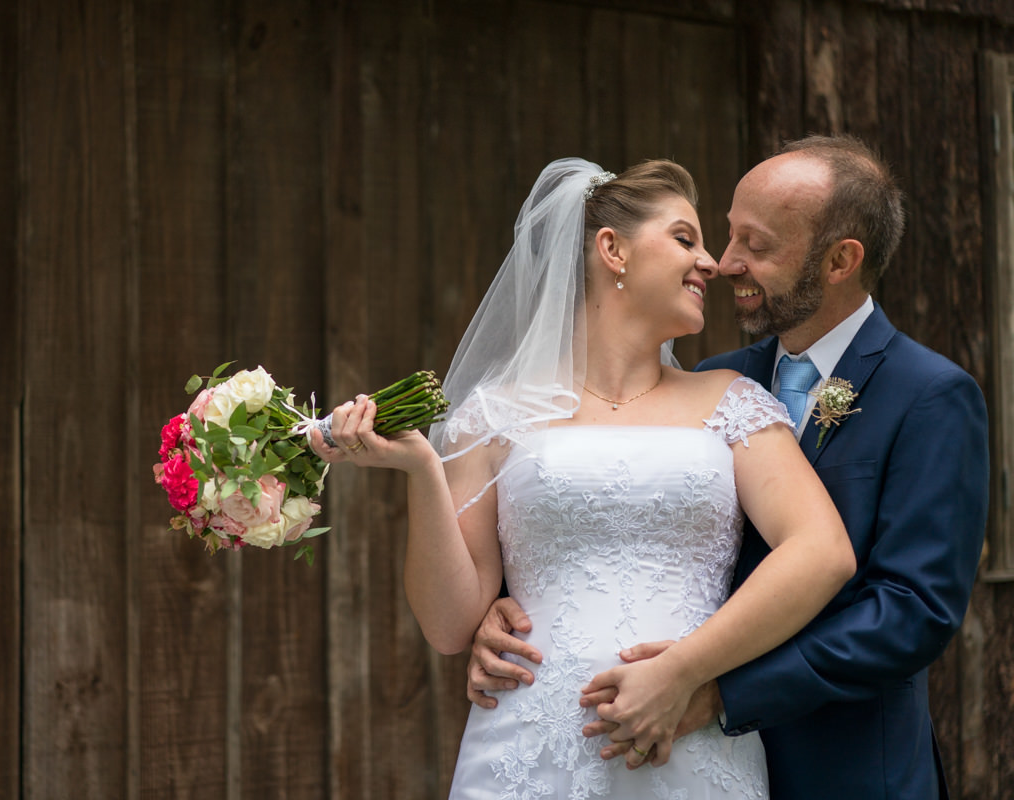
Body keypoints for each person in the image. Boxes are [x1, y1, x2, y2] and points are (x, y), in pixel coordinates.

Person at [311, 157, 856, 798]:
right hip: (525, 748)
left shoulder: (734, 402)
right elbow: (450, 624)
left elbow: (822, 553)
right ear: (611, 249)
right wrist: (422, 468)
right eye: (686, 238)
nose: (711, 262)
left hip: (684, 742)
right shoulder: (493, 417)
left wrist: (683, 671)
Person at [467, 137, 990, 798]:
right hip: (674, 755)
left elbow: (911, 612)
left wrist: (718, 691)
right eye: (727, 235)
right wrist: (504, 613)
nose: (724, 262)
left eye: (757, 245)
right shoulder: (717, 382)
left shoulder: (930, 396)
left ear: (840, 260)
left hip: (845, 769)